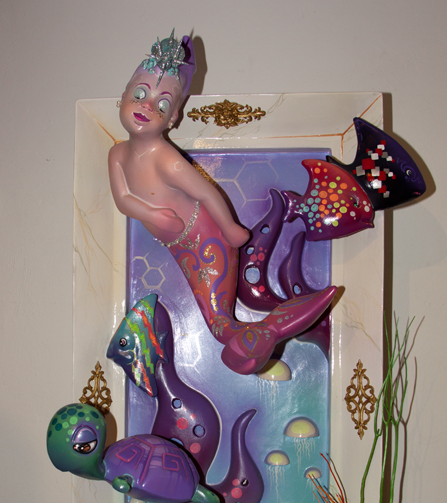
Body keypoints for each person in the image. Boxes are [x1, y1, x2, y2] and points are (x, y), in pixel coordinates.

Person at [108, 31, 336, 375]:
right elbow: (123, 199)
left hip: (205, 237)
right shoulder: (116, 154)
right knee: (218, 324)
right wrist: (152, 213)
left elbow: (205, 193)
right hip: (178, 243)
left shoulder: (166, 159)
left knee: (218, 323)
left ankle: (269, 337)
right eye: (139, 94)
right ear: (122, 97)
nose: (147, 106)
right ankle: (268, 335)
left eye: (162, 104)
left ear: (173, 118)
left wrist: (229, 229)